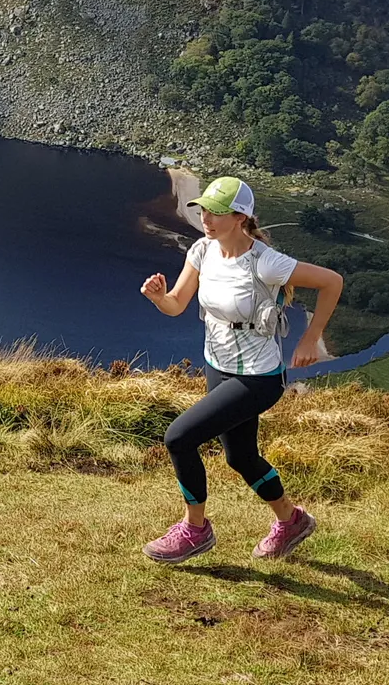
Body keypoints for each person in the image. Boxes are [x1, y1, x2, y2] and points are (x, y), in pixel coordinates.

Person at [137, 176, 343, 563]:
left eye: (216, 212)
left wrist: (311, 338)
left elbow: (332, 282)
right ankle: (291, 520)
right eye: (203, 210)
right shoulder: (201, 251)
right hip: (218, 366)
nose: (205, 219)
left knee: (179, 438)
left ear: (240, 217)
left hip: (259, 378)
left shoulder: (265, 262)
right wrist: (157, 298)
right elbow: (177, 304)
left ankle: (194, 529)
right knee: (241, 456)